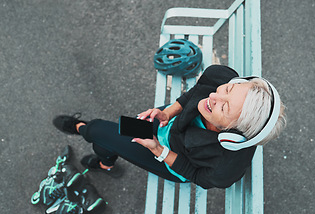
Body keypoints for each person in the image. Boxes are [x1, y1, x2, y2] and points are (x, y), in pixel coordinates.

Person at [53, 65, 286, 189]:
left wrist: (158, 150)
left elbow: (196, 174)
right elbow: (197, 93)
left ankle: (83, 129)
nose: (214, 97)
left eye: (224, 109)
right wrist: (167, 112)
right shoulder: (219, 82)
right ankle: (105, 162)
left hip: (169, 157)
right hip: (168, 124)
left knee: (99, 132)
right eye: (228, 90)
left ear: (231, 136)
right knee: (116, 133)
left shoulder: (225, 165)